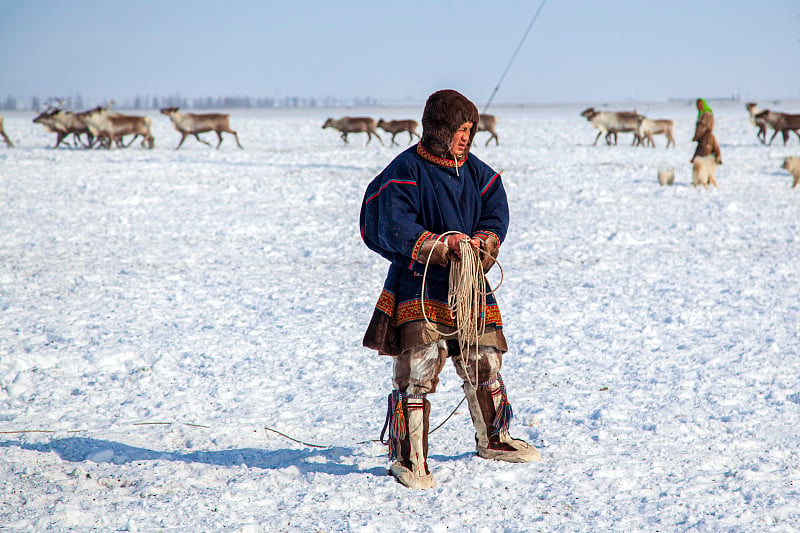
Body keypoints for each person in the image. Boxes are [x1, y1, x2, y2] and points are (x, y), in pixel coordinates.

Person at [359, 89, 540, 490]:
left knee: (486, 360)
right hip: (418, 287)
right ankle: (409, 457)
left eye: (470, 129)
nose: (466, 136)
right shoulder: (405, 170)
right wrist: (440, 245)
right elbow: (392, 221)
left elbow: (496, 211)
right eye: (460, 128)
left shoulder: (478, 173)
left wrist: (484, 241)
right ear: (438, 129)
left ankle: (495, 437)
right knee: (418, 370)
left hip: (469, 286)